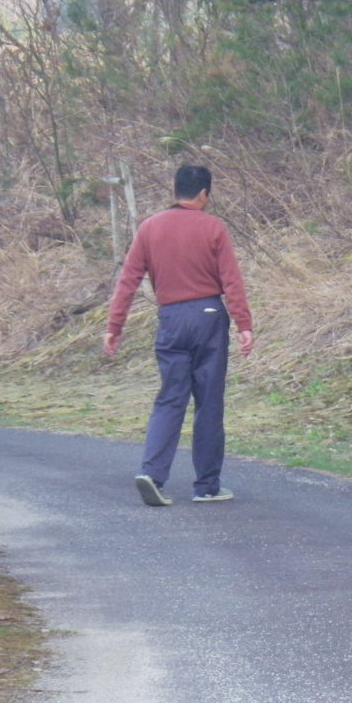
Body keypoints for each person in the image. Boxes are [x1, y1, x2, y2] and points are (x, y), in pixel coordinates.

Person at [103, 165, 255, 507]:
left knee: (170, 398)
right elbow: (231, 281)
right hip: (208, 317)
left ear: (175, 191)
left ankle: (153, 474)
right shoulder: (213, 227)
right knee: (209, 403)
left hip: (170, 318)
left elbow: (127, 281)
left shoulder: (149, 228)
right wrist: (244, 324)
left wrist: (115, 327)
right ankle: (207, 486)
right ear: (203, 194)